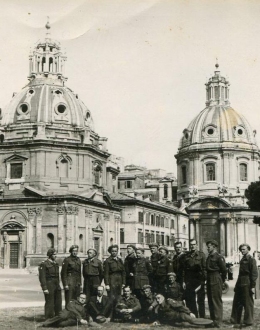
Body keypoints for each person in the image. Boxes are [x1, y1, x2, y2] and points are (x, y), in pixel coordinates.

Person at [230, 244, 258, 327]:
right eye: (241, 249)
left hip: (247, 282)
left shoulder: (251, 260)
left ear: (248, 249)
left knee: (247, 302)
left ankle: (248, 321)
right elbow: (240, 274)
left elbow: (254, 274)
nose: (242, 251)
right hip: (240, 282)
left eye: (244, 249)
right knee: (237, 301)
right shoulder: (242, 259)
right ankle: (235, 319)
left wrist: (252, 286)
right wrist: (236, 285)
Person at [206, 239, 227, 328]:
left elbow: (224, 270)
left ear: (214, 246)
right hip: (209, 278)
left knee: (216, 300)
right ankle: (212, 320)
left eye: (209, 246)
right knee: (210, 300)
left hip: (216, 277)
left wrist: (220, 280)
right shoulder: (209, 256)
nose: (207, 248)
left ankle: (218, 321)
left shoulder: (219, 257)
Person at [182, 239, 206, 318]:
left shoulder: (201, 255)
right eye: (191, 245)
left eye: (194, 244)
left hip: (199, 279)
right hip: (189, 280)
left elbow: (204, 269)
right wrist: (184, 281)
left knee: (200, 300)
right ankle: (194, 317)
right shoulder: (186, 255)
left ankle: (202, 317)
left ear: (197, 245)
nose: (192, 246)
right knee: (190, 300)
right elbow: (184, 270)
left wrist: (203, 281)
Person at [38, 248, 62, 320]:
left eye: (56, 254)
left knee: (58, 302)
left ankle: (58, 318)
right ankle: (48, 319)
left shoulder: (56, 264)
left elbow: (57, 276)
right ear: (50, 255)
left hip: (56, 285)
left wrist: (58, 285)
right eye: (54, 254)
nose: (56, 256)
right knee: (49, 302)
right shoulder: (44, 264)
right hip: (49, 285)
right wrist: (44, 288)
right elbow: (42, 277)